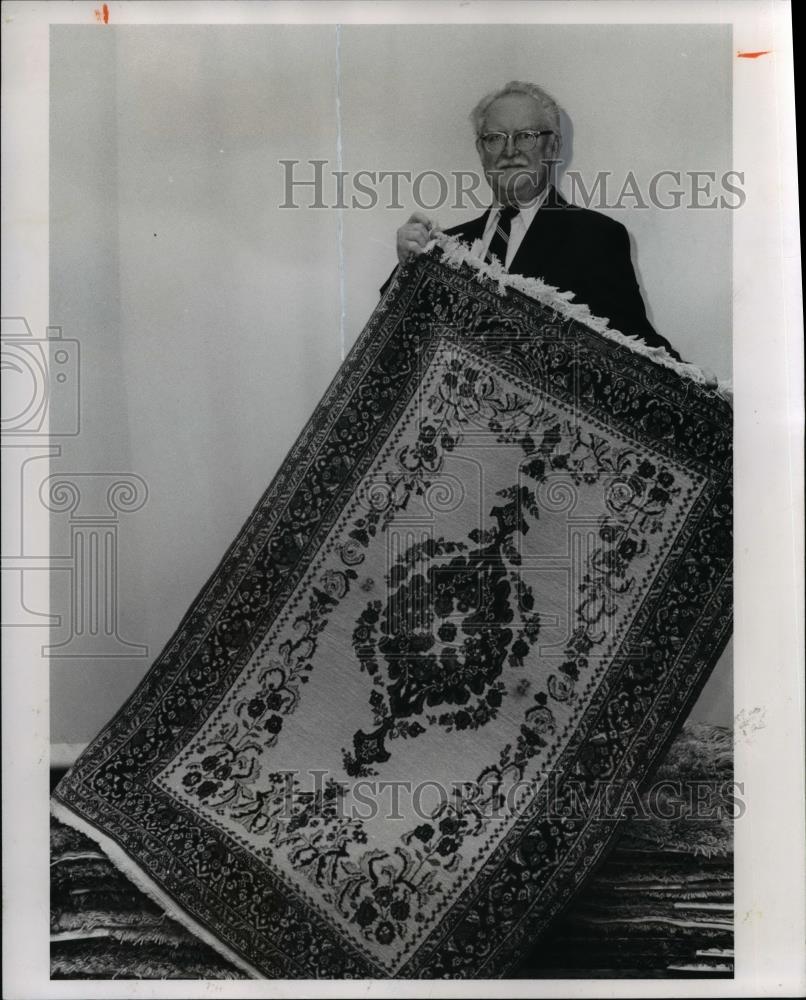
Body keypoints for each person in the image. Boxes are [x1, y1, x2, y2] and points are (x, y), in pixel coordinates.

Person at [390, 80, 681, 359]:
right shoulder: (446, 251)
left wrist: (695, 385)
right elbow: (397, 341)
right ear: (480, 151)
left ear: (552, 147)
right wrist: (408, 268)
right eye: (494, 138)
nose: (509, 151)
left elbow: (638, 347)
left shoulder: (597, 238)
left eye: (526, 136)